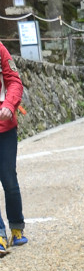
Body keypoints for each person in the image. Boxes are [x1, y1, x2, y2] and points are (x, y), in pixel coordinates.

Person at [0, 39, 26, 253]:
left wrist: (9, 104)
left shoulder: (0, 49)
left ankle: (16, 228)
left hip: (4, 127)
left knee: (9, 180)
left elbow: (15, 81)